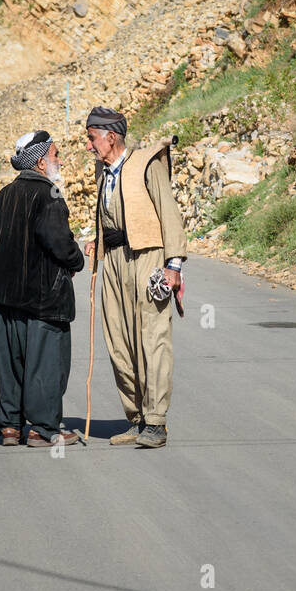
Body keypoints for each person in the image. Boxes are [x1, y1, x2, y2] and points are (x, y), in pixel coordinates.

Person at [0, 130, 84, 447]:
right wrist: (75, 262)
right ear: (39, 162)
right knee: (46, 366)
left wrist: (4, 264)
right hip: (43, 301)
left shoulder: (6, 194)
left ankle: (10, 426)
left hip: (6, 300)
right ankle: (42, 429)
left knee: (12, 364)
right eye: (55, 155)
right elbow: (59, 244)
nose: (59, 161)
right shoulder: (48, 196)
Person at [83, 106, 187, 448]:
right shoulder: (102, 170)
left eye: (91, 138)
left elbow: (168, 212)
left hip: (148, 258)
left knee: (152, 336)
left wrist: (174, 266)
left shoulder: (148, 163)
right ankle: (137, 418)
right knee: (118, 339)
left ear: (111, 137)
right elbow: (112, 213)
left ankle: (156, 421)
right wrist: (98, 240)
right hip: (113, 260)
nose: (88, 146)